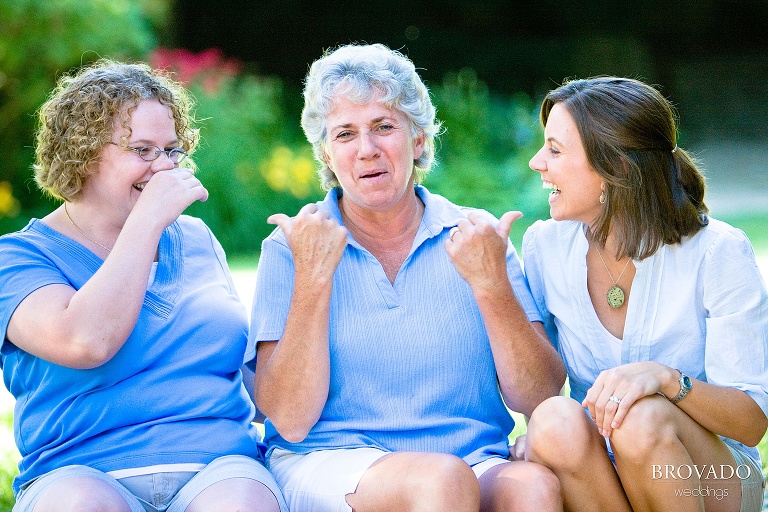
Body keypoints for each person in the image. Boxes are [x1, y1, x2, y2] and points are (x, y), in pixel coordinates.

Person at [250, 43, 566, 512]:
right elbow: (290, 420)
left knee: (534, 488)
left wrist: (491, 286)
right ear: (326, 154)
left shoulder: (476, 236)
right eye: (344, 134)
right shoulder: (293, 247)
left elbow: (540, 396)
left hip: (470, 458)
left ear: (418, 139)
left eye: (384, 127)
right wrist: (314, 278)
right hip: (329, 461)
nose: (367, 150)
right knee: (439, 481)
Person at [0, 60, 287, 512]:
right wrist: (149, 220)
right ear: (83, 152)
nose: (164, 166)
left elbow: (257, 382)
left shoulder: (196, 240)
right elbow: (85, 341)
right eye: (143, 150)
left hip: (218, 467)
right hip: (80, 472)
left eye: (171, 151)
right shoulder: (17, 258)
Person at [513, 76, 768, 511]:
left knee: (640, 416)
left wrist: (667, 381)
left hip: (712, 475)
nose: (538, 162)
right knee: (552, 420)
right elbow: (540, 389)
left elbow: (750, 422)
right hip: (602, 474)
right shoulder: (545, 246)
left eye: (555, 150)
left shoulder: (717, 252)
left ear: (617, 169)